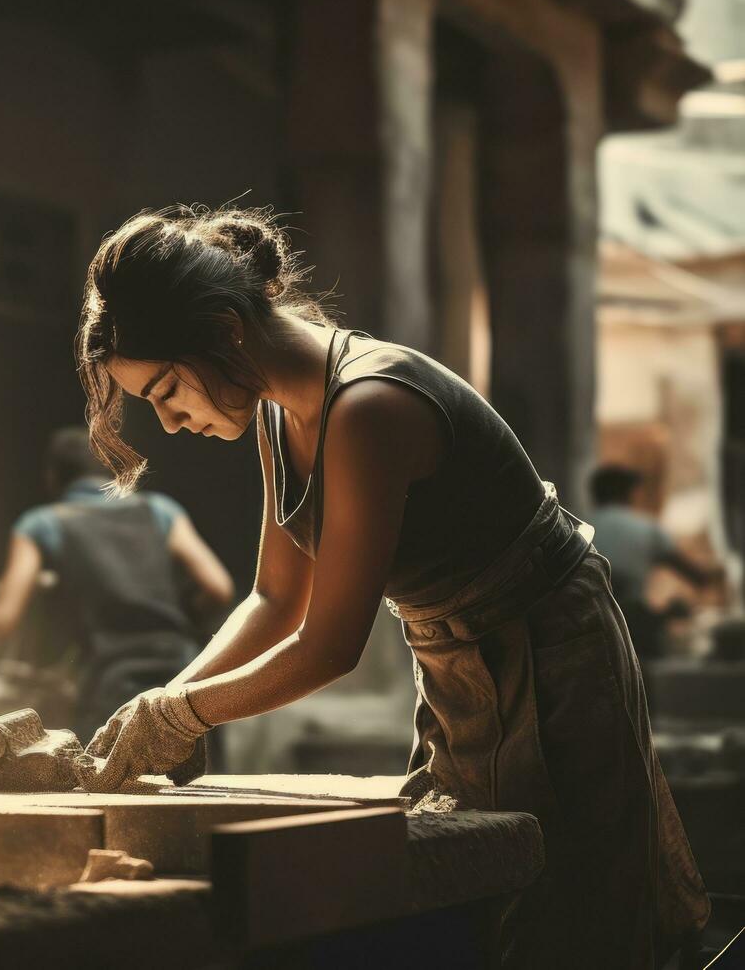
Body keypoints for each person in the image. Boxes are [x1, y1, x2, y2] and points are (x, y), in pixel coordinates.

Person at [70, 206, 708, 967]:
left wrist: (181, 714)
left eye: (169, 389)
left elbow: (330, 644)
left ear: (225, 332)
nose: (171, 423)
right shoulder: (278, 412)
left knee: (569, 916)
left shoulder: (370, 406)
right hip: (453, 659)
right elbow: (275, 600)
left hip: (547, 650)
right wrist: (163, 709)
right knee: (476, 893)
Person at [0, 426, 233, 739]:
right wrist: (186, 615)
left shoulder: (42, 524)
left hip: (109, 678)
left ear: (52, 477)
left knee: (109, 783)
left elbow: (4, 618)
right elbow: (219, 587)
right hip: (182, 669)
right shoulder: (160, 510)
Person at [589, 464, 722, 660]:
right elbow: (695, 576)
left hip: (582, 624)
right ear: (628, 493)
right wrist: (717, 573)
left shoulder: (576, 526)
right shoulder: (645, 529)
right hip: (630, 627)